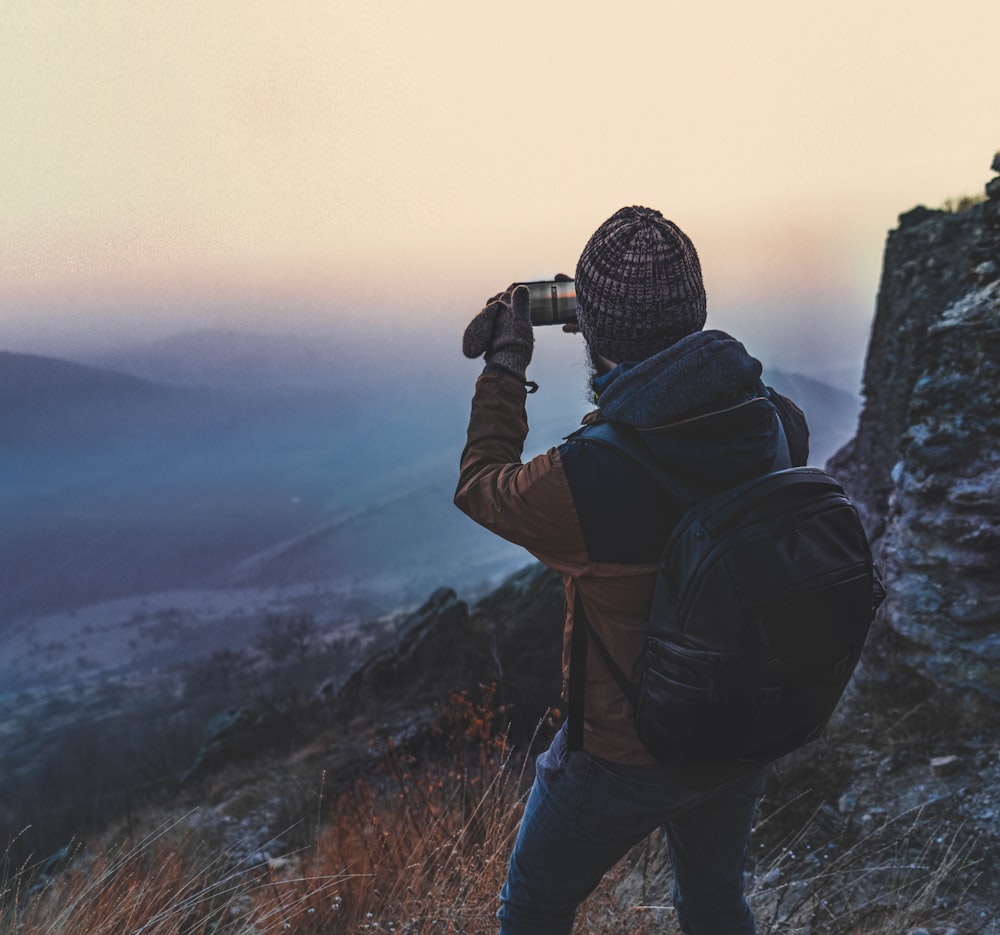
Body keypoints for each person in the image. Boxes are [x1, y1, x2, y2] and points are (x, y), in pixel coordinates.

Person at [455, 206, 809, 935]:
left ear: (594, 330)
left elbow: (482, 485)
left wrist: (505, 364)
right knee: (714, 902)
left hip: (622, 754)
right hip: (738, 722)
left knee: (532, 909)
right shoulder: (776, 421)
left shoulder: (588, 476)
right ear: (696, 310)